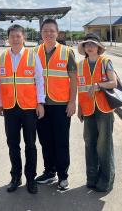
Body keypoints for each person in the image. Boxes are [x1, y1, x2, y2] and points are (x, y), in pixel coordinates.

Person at [0, 24, 45, 194]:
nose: (15, 39)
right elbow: (0, 83)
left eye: (18, 36)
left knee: (30, 144)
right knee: (12, 144)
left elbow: (39, 80)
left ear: (23, 38)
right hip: (10, 108)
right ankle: (15, 177)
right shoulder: (2, 57)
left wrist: (40, 103)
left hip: (29, 107)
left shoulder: (33, 56)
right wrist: (0, 103)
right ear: (8, 39)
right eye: (12, 36)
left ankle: (31, 178)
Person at [34, 18, 77, 191]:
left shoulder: (67, 52)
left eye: (52, 31)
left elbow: (74, 78)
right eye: (46, 31)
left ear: (57, 33)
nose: (49, 34)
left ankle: (63, 176)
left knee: (61, 141)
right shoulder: (34, 52)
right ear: (41, 33)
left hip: (61, 105)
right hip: (42, 105)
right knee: (45, 141)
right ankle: (49, 172)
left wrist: (72, 101)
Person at [76, 32, 118, 193]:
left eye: (93, 44)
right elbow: (81, 89)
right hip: (87, 110)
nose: (90, 46)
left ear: (99, 47)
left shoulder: (105, 62)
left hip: (104, 109)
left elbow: (113, 82)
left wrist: (99, 85)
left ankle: (106, 179)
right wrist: (80, 108)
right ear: (84, 48)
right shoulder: (81, 65)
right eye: (87, 44)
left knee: (104, 145)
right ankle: (92, 178)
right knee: (89, 143)